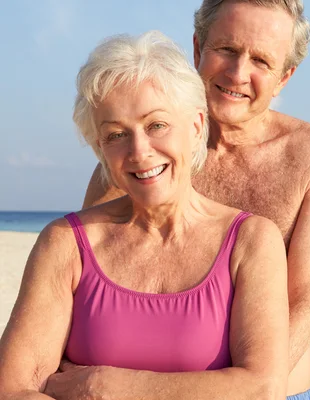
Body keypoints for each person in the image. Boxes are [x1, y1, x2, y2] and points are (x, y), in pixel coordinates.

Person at [81, 1, 310, 399]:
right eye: (226, 49)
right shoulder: (144, 155)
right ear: (197, 49)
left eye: (261, 60)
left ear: (284, 78)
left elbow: (301, 309)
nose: (238, 73)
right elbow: (83, 281)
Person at [0, 31, 290, 400]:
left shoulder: (251, 241)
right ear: (100, 149)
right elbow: (13, 389)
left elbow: (263, 389)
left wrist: (109, 388)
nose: (139, 151)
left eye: (157, 125)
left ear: (197, 126)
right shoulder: (64, 244)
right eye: (117, 134)